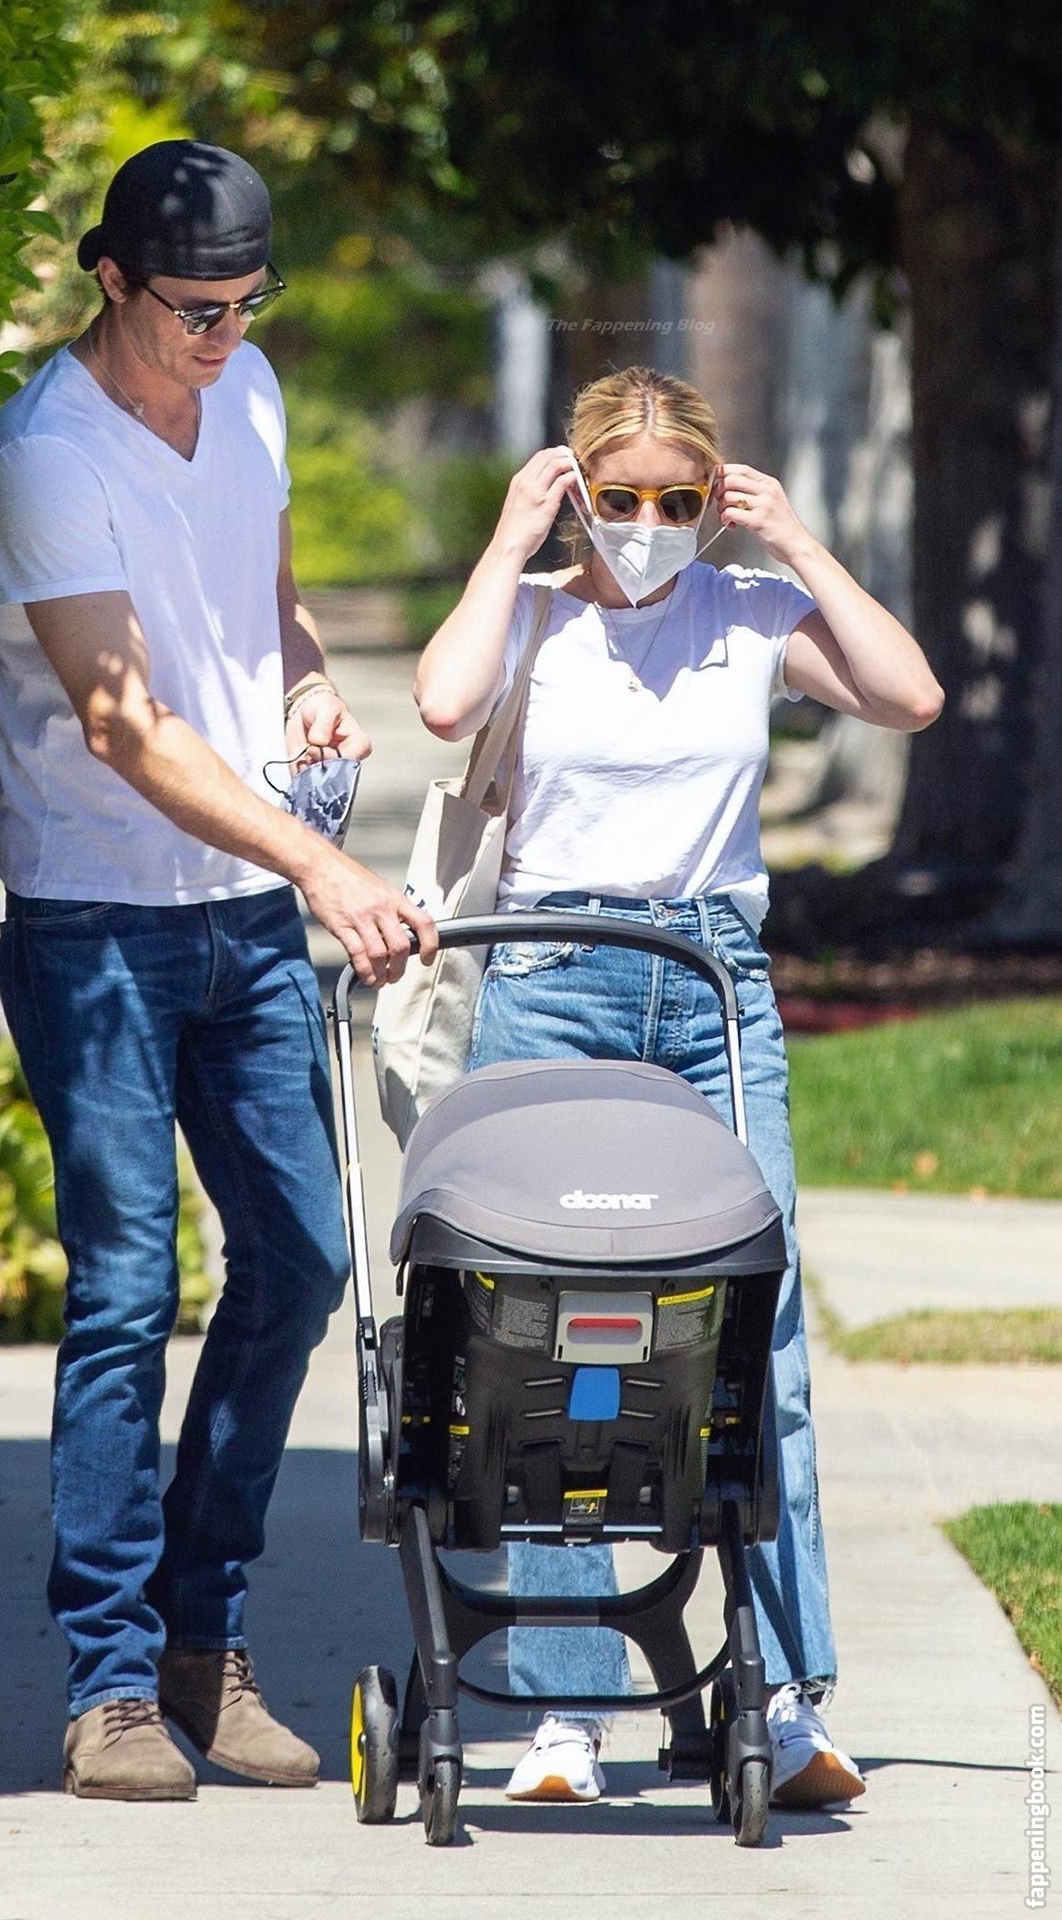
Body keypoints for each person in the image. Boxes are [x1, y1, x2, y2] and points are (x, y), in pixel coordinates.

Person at [0, 140, 434, 1801]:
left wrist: (305, 680)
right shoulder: (47, 456)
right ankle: (107, 1684)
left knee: (302, 1261)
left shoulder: (252, 396)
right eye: (193, 310)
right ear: (112, 279)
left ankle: (200, 1634)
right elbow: (123, 721)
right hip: (97, 917)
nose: (224, 337)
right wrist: (321, 862)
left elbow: (267, 597)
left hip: (239, 915)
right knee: (120, 1289)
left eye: (248, 304)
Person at [414, 365, 942, 1810]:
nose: (649, 523)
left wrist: (799, 543)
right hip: (549, 976)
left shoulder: (751, 610)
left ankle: (785, 1694)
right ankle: (567, 1713)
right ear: (579, 489)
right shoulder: (534, 615)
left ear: (715, 499)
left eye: (679, 498)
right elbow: (444, 704)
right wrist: (510, 540)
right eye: (622, 495)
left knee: (758, 1335)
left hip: (712, 987)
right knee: (546, 1335)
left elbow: (909, 695)